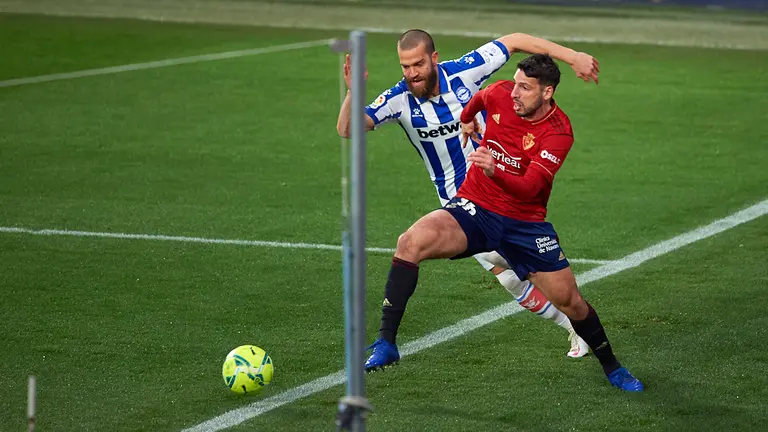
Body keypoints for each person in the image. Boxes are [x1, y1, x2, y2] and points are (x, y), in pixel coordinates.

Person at [364, 53, 644, 392]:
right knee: (409, 242)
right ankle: (386, 343)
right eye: (516, 83)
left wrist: (495, 169)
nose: (515, 93)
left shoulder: (558, 132)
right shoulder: (500, 93)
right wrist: (467, 120)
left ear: (547, 92)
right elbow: (479, 99)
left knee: (572, 303)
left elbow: (530, 189)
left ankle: (613, 367)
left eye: (525, 88)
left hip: (524, 224)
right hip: (475, 207)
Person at [337, 29, 599, 358]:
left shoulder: (464, 71)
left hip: (501, 191)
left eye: (418, 64)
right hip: (458, 206)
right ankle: (575, 326)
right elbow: (347, 129)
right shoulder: (398, 99)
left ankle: (577, 324)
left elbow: (515, 39)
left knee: (519, 270)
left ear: (434, 58)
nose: (412, 73)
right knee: (507, 273)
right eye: (405, 67)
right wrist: (353, 92)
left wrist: (572, 56)